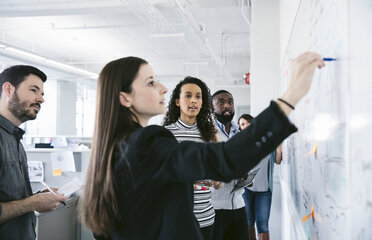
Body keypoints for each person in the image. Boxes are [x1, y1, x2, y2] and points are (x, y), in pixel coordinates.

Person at [81, 52, 325, 240]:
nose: (163, 88)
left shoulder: (116, 148)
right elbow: (228, 158)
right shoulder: (146, 142)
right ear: (125, 98)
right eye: (151, 82)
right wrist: (292, 94)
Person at [0, 65, 67, 240]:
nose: (41, 99)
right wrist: (31, 203)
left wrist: (37, 199)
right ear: (8, 89)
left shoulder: (15, 138)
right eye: (33, 90)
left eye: (42, 94)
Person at [163, 76, 221, 240]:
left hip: (206, 218)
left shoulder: (210, 134)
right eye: (188, 96)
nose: (193, 101)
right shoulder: (166, 134)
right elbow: (161, 177)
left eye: (198, 96)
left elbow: (218, 182)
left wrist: (215, 180)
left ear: (203, 103)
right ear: (177, 102)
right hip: (177, 219)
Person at [210, 89, 250, 240]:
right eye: (221, 102)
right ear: (212, 108)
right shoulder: (206, 134)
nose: (227, 106)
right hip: (215, 209)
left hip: (239, 206)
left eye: (230, 102)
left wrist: (246, 175)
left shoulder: (241, 135)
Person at [238, 114, 282, 240]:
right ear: (240, 128)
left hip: (264, 191)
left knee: (263, 225)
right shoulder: (239, 145)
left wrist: (279, 144)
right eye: (242, 124)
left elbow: (278, 160)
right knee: (248, 223)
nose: (246, 126)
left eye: (248, 123)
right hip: (246, 190)